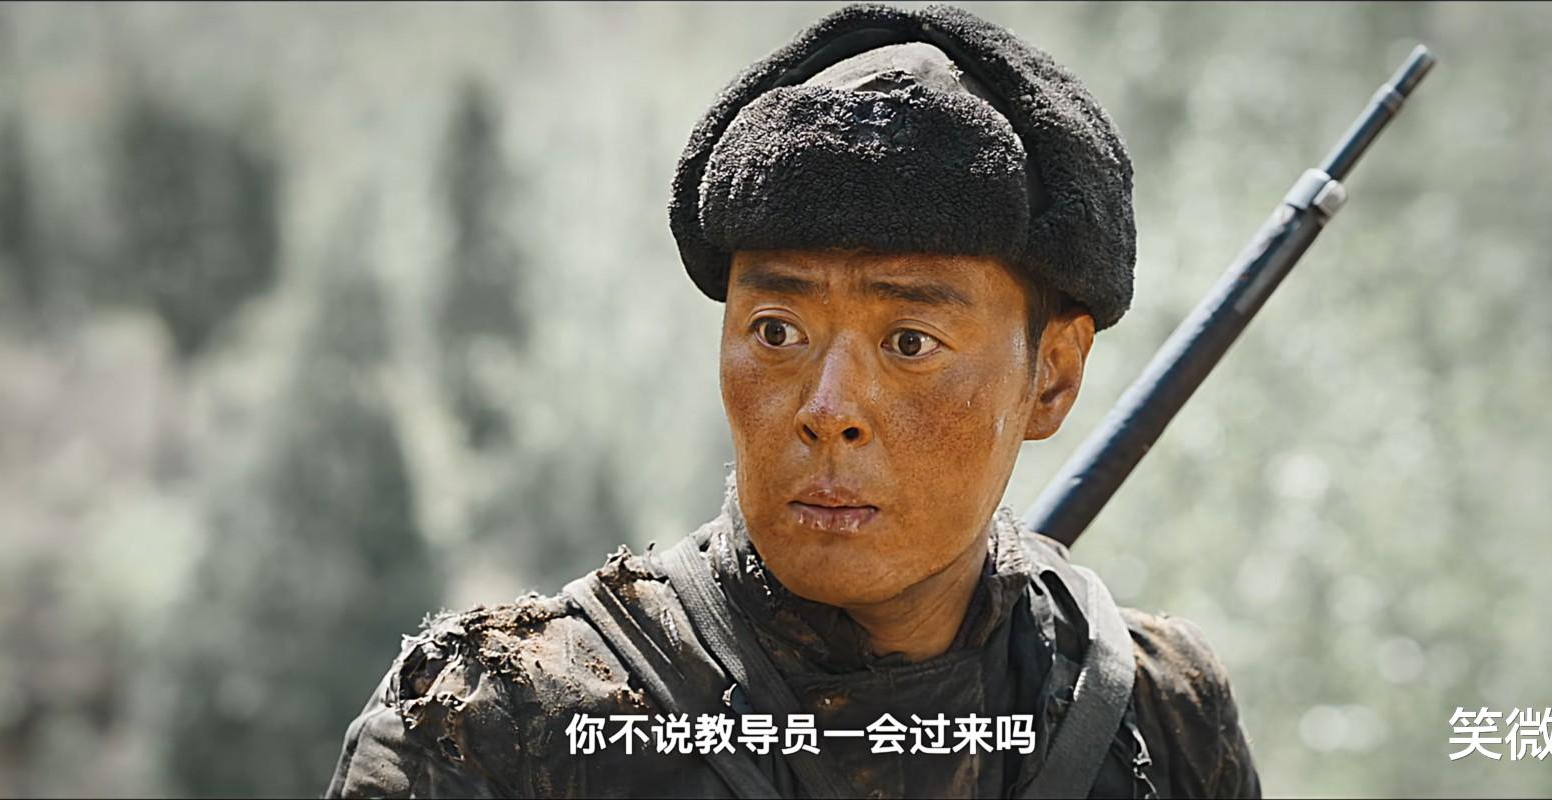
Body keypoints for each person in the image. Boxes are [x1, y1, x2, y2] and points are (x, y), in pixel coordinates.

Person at [326, 4, 1260, 798]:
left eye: (909, 343)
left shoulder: (1157, 710)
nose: (827, 407)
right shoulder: (498, 727)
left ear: (1051, 375)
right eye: (777, 331)